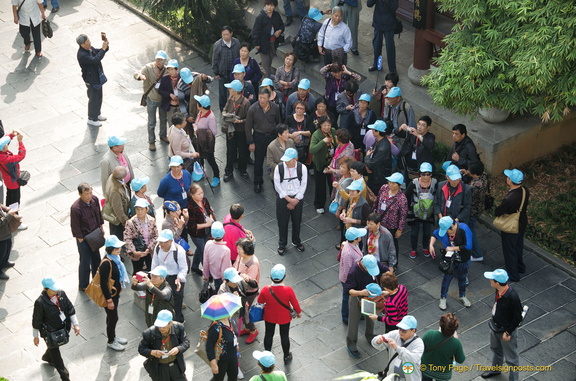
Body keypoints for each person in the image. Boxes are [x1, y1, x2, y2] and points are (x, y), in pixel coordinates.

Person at [32, 277, 80, 381]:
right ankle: (65, 377)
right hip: (49, 333)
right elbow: (37, 320)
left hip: (63, 328)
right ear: (45, 289)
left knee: (52, 349)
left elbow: (70, 308)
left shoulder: (61, 294)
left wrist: (75, 324)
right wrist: (35, 336)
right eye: (53, 289)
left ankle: (47, 357)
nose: (55, 291)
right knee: (57, 358)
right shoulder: (40, 302)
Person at [344, 255, 389, 358]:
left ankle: (370, 336)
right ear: (363, 266)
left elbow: (386, 270)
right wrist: (361, 292)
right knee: (353, 323)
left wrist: (388, 283)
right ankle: (351, 345)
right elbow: (348, 290)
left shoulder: (372, 261)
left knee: (370, 318)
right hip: (357, 298)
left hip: (371, 297)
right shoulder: (354, 272)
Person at [482, 269, 523, 381]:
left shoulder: (512, 297)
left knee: (512, 359)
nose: (489, 280)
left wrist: (508, 332)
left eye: (492, 279)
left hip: (506, 331)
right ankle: (495, 370)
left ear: (497, 283)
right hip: (495, 326)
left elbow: (518, 317)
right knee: (496, 350)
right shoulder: (498, 290)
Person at [258, 264, 302, 363]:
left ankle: (267, 354)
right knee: (284, 335)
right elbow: (295, 303)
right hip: (284, 317)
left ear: (271, 277)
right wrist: (298, 313)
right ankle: (286, 355)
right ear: (284, 277)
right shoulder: (288, 290)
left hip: (269, 316)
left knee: (268, 334)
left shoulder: (265, 289)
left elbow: (260, 301)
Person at [429, 216, 473, 310]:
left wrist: (452, 248)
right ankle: (443, 298)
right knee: (447, 278)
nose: (445, 233)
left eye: (446, 230)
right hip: (450, 259)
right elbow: (434, 234)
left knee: (462, 278)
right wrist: (431, 245)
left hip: (463, 258)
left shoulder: (463, 228)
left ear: (452, 226)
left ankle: (462, 296)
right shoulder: (444, 230)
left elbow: (468, 246)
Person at [494, 169, 529, 283]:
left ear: (510, 180)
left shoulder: (510, 198)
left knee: (510, 250)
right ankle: (520, 267)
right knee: (518, 246)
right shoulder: (524, 190)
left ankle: (513, 274)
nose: (506, 178)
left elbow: (499, 211)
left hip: (511, 226)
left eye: (508, 177)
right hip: (521, 223)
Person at [245, 88, 282, 193]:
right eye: (260, 97)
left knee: (275, 159)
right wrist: (251, 142)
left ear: (269, 98)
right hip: (259, 137)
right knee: (258, 160)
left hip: (272, 136)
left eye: (264, 98)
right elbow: (248, 127)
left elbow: (278, 122)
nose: (262, 100)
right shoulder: (252, 109)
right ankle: (257, 182)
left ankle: (277, 180)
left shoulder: (275, 108)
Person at [138, 310, 190, 381]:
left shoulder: (178, 327)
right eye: (159, 326)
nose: (161, 328)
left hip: (176, 366)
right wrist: (153, 352)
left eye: (163, 326)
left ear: (170, 323)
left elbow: (186, 342)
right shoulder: (149, 333)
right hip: (160, 368)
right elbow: (141, 349)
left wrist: (178, 349)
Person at [273, 148, 307, 255]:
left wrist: (295, 200)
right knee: (282, 222)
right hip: (283, 199)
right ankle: (282, 243)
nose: (286, 162)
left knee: (297, 221)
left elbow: (303, 185)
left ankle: (296, 241)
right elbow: (277, 186)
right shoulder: (279, 168)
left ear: (295, 158)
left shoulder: (302, 168)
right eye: (285, 160)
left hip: (297, 199)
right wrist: (289, 200)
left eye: (289, 160)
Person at [70, 182, 104, 290]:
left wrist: (101, 226)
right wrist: (80, 239)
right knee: (85, 262)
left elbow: (98, 213)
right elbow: (75, 225)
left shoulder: (94, 200)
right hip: (84, 238)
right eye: (86, 194)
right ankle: (83, 285)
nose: (89, 196)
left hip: (95, 234)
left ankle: (96, 280)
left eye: (90, 193)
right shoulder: (76, 208)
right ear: (80, 194)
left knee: (96, 259)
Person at [371, 315, 424, 381]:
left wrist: (397, 348)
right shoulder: (395, 334)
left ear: (413, 330)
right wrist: (378, 341)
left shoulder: (418, 343)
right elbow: (375, 343)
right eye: (400, 328)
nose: (401, 332)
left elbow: (413, 359)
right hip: (392, 376)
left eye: (404, 330)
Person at [100, 235, 130, 351]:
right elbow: (103, 283)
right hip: (110, 296)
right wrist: (109, 300)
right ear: (110, 249)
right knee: (113, 317)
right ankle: (111, 341)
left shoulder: (116, 259)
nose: (119, 250)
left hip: (115, 293)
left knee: (112, 317)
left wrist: (120, 286)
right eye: (116, 248)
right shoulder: (106, 263)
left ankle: (113, 336)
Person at [134, 50, 168, 151]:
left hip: (162, 99)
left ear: (164, 61)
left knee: (163, 119)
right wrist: (140, 76)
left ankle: (163, 136)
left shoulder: (166, 70)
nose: (158, 61)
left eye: (161, 60)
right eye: (157, 59)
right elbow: (137, 73)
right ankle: (151, 142)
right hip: (151, 99)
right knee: (151, 122)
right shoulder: (148, 68)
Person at [151, 229, 188, 323]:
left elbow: (183, 268)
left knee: (177, 301)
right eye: (160, 241)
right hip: (162, 278)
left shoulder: (179, 251)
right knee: (162, 298)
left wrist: (179, 279)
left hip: (175, 278)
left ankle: (178, 321)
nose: (162, 244)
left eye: (165, 241)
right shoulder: (158, 248)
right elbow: (154, 263)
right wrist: (153, 277)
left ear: (171, 241)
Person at [373, 172, 407, 267]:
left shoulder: (402, 199)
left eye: (393, 183)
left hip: (391, 226)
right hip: (380, 222)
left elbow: (403, 215)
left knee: (392, 245)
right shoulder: (384, 188)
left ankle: (393, 264)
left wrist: (400, 230)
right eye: (390, 182)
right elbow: (377, 199)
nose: (390, 184)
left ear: (399, 185)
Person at [405, 162, 437, 259]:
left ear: (431, 174)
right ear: (420, 174)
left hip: (429, 212)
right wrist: (409, 208)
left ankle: (425, 247)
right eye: (423, 174)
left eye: (428, 174)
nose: (426, 176)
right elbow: (407, 196)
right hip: (415, 212)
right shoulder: (413, 183)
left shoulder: (435, 183)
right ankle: (414, 249)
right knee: (414, 232)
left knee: (427, 232)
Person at [421, 313, 466, 381]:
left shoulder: (429, 334)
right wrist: (456, 339)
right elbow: (461, 359)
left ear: (440, 324)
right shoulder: (456, 343)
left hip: (426, 368)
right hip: (443, 373)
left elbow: (420, 349)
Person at [76, 34, 109, 127]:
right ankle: (91, 118)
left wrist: (105, 47)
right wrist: (103, 49)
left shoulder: (90, 48)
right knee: (93, 99)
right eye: (87, 42)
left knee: (99, 97)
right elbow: (95, 60)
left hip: (97, 76)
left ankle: (97, 114)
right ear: (82, 44)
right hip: (91, 79)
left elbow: (98, 52)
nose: (90, 42)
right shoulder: (82, 55)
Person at [222, 79, 251, 183]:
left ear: (235, 90)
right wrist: (225, 114)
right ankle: (228, 171)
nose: (229, 90)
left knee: (243, 151)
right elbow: (225, 108)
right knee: (230, 151)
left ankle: (242, 169)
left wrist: (240, 121)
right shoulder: (230, 98)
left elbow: (249, 119)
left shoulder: (246, 103)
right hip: (231, 130)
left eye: (230, 88)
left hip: (241, 131)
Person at [234, 238, 260, 344]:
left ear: (246, 250)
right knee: (243, 311)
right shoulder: (241, 257)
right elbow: (235, 266)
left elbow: (249, 282)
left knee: (245, 312)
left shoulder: (253, 264)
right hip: (240, 288)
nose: (237, 251)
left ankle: (253, 330)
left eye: (239, 249)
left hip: (249, 292)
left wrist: (239, 275)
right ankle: (248, 328)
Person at [339, 227, 366, 325]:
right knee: (346, 298)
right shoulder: (348, 253)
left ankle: (358, 314)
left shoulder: (354, 244)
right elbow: (347, 270)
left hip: (355, 278)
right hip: (349, 280)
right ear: (355, 239)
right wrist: (351, 284)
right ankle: (345, 317)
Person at [187, 184, 216, 275]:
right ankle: (208, 273)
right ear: (192, 195)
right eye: (199, 194)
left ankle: (195, 266)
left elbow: (209, 211)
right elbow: (192, 226)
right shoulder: (190, 207)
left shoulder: (204, 200)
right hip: (197, 234)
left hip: (207, 231)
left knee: (200, 249)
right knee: (204, 253)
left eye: (202, 193)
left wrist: (211, 218)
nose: (201, 195)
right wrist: (206, 224)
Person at [124, 198, 158, 274]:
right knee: (137, 271)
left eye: (142, 209)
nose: (139, 212)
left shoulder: (152, 220)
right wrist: (134, 252)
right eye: (137, 209)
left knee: (151, 270)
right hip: (137, 251)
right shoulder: (130, 222)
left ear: (147, 209)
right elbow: (127, 239)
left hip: (149, 251)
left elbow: (155, 236)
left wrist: (149, 249)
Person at [252, 0, 285, 79]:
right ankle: (266, 81)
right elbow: (256, 31)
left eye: (272, 5)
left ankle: (267, 74)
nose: (270, 7)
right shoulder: (260, 17)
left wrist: (279, 31)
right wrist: (257, 43)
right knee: (265, 63)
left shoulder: (276, 15)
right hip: (264, 43)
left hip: (274, 41)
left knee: (270, 60)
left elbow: (282, 25)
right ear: (265, 5)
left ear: (275, 7)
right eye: (268, 5)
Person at [310, 116, 336, 214]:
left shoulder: (333, 131)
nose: (327, 127)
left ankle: (333, 202)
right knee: (320, 186)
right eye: (324, 125)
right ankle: (319, 204)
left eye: (328, 125)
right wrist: (322, 142)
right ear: (320, 125)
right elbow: (312, 150)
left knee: (332, 184)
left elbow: (337, 144)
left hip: (331, 164)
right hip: (320, 164)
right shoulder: (316, 134)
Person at [193, 95, 220, 187]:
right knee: (200, 157)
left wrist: (201, 131)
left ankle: (216, 176)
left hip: (207, 142)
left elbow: (214, 132)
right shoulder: (200, 113)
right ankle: (201, 172)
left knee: (210, 159)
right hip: (199, 140)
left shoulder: (210, 117)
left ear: (201, 105)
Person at [213, 26, 241, 111]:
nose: (225, 36)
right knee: (222, 93)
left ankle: (235, 108)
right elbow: (215, 59)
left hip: (234, 72)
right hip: (223, 72)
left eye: (227, 34)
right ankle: (223, 109)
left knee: (235, 91)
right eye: (223, 35)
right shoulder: (218, 45)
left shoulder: (236, 42)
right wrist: (216, 72)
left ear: (231, 34)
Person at [466, 161, 489, 261]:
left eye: (469, 170)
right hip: (479, 207)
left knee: (471, 232)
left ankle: (476, 254)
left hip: (472, 211)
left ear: (474, 174)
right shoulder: (483, 176)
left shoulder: (475, 187)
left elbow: (466, 195)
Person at [367, 0, 398, 73]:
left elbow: (394, 7)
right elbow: (369, 4)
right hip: (378, 22)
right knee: (376, 45)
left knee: (390, 48)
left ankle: (392, 69)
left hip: (389, 23)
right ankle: (377, 65)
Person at [364, 120, 394, 194]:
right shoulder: (378, 141)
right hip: (375, 176)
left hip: (378, 178)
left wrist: (367, 157)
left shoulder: (383, 148)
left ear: (378, 132)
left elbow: (371, 164)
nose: (372, 131)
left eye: (373, 130)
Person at [102, 166, 130, 242]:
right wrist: (126, 222)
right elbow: (118, 209)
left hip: (117, 217)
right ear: (122, 177)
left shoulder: (113, 177)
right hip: (117, 221)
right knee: (118, 239)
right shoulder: (115, 191)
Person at [207, 315, 239, 381]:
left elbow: (233, 334)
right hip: (221, 359)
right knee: (218, 378)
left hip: (232, 356)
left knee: (233, 375)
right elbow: (209, 346)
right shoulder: (215, 328)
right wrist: (213, 363)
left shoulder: (230, 320)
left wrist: (236, 345)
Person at [0, 131, 26, 211]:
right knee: (15, 202)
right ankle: (14, 220)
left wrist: (11, 135)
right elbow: (21, 155)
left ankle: (8, 216)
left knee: (9, 199)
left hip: (8, 182)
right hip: (14, 182)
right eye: (7, 144)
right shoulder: (6, 159)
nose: (8, 145)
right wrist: (20, 142)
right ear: (4, 147)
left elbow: (3, 142)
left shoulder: (1, 155)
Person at [339, 180, 371, 246]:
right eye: (350, 190)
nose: (350, 193)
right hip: (348, 228)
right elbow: (346, 206)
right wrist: (344, 212)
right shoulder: (351, 198)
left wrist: (352, 220)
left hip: (357, 234)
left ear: (360, 192)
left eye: (353, 191)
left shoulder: (364, 205)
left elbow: (367, 222)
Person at [203, 222, 231, 292]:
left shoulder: (208, 244)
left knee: (216, 289)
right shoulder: (226, 250)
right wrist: (225, 282)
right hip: (221, 278)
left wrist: (206, 275)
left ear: (212, 234)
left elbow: (205, 262)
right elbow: (224, 269)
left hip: (212, 273)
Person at [157, 59, 182, 138]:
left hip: (180, 105)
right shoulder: (165, 78)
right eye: (168, 69)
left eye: (172, 69)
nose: (170, 71)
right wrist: (169, 94)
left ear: (176, 69)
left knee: (181, 123)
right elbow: (160, 90)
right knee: (171, 124)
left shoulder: (181, 77)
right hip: (170, 105)